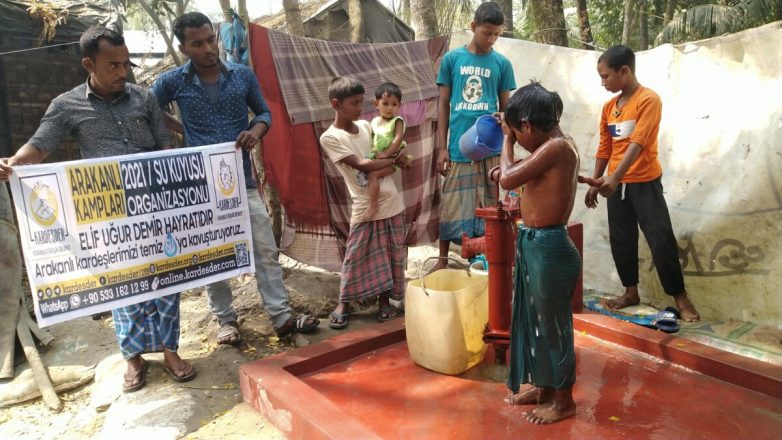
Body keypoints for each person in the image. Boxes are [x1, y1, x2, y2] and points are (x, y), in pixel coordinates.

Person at [0, 26, 195, 392]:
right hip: (106, 213)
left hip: (154, 204)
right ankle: (133, 359)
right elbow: (39, 148)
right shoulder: (66, 105)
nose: (122, 73)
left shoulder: (144, 98)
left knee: (168, 276)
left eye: (126, 64)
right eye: (113, 66)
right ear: (89, 63)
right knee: (122, 285)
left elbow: (163, 148)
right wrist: (12, 162)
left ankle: (171, 351)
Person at [152, 12, 320, 345]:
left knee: (264, 248)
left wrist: (255, 132)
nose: (208, 49)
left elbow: (264, 113)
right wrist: (181, 129)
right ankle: (225, 321)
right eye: (197, 44)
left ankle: (282, 316)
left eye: (210, 39)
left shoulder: (242, 76)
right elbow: (149, 108)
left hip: (241, 178)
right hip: (198, 184)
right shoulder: (173, 82)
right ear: (183, 47)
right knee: (212, 253)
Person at [582, 45, 700, 322]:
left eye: (606, 76)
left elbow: (639, 142)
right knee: (621, 239)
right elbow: (604, 147)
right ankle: (630, 292)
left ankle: (680, 298)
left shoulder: (649, 100)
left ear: (624, 71)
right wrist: (596, 181)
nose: (603, 83)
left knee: (661, 240)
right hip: (614, 185)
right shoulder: (609, 108)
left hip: (644, 183)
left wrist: (615, 177)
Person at [495, 82, 580, 424]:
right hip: (536, 244)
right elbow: (523, 176)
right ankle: (545, 387)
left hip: (549, 247)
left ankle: (563, 400)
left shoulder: (556, 147)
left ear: (527, 126)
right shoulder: (552, 145)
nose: (516, 138)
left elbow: (507, 180)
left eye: (518, 132)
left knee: (554, 327)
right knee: (535, 324)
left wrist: (505, 141)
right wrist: (510, 166)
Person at [319, 77, 411, 330]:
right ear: (336, 104)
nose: (360, 108)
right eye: (354, 103)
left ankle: (384, 303)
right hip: (364, 204)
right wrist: (393, 161)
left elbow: (385, 152)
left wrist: (395, 157)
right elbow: (363, 164)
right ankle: (344, 303)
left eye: (361, 102)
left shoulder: (367, 127)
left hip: (391, 200)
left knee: (390, 254)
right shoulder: (330, 137)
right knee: (355, 255)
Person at [433, 1, 516, 271]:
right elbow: (443, 104)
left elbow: (508, 110)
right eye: (486, 33)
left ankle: (485, 262)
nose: (491, 39)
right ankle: (443, 261)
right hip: (459, 146)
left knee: (489, 206)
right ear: (473, 27)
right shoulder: (452, 59)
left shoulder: (502, 64)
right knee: (452, 204)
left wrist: (505, 130)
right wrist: (441, 147)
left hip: (489, 147)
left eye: (496, 34)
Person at [363, 82, 407, 221]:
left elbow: (398, 139)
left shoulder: (397, 121)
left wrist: (386, 154)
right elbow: (371, 137)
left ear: (399, 106)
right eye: (385, 103)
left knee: (373, 175)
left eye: (394, 104)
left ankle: (373, 205)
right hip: (377, 156)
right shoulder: (374, 121)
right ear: (376, 104)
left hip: (391, 160)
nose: (390, 108)